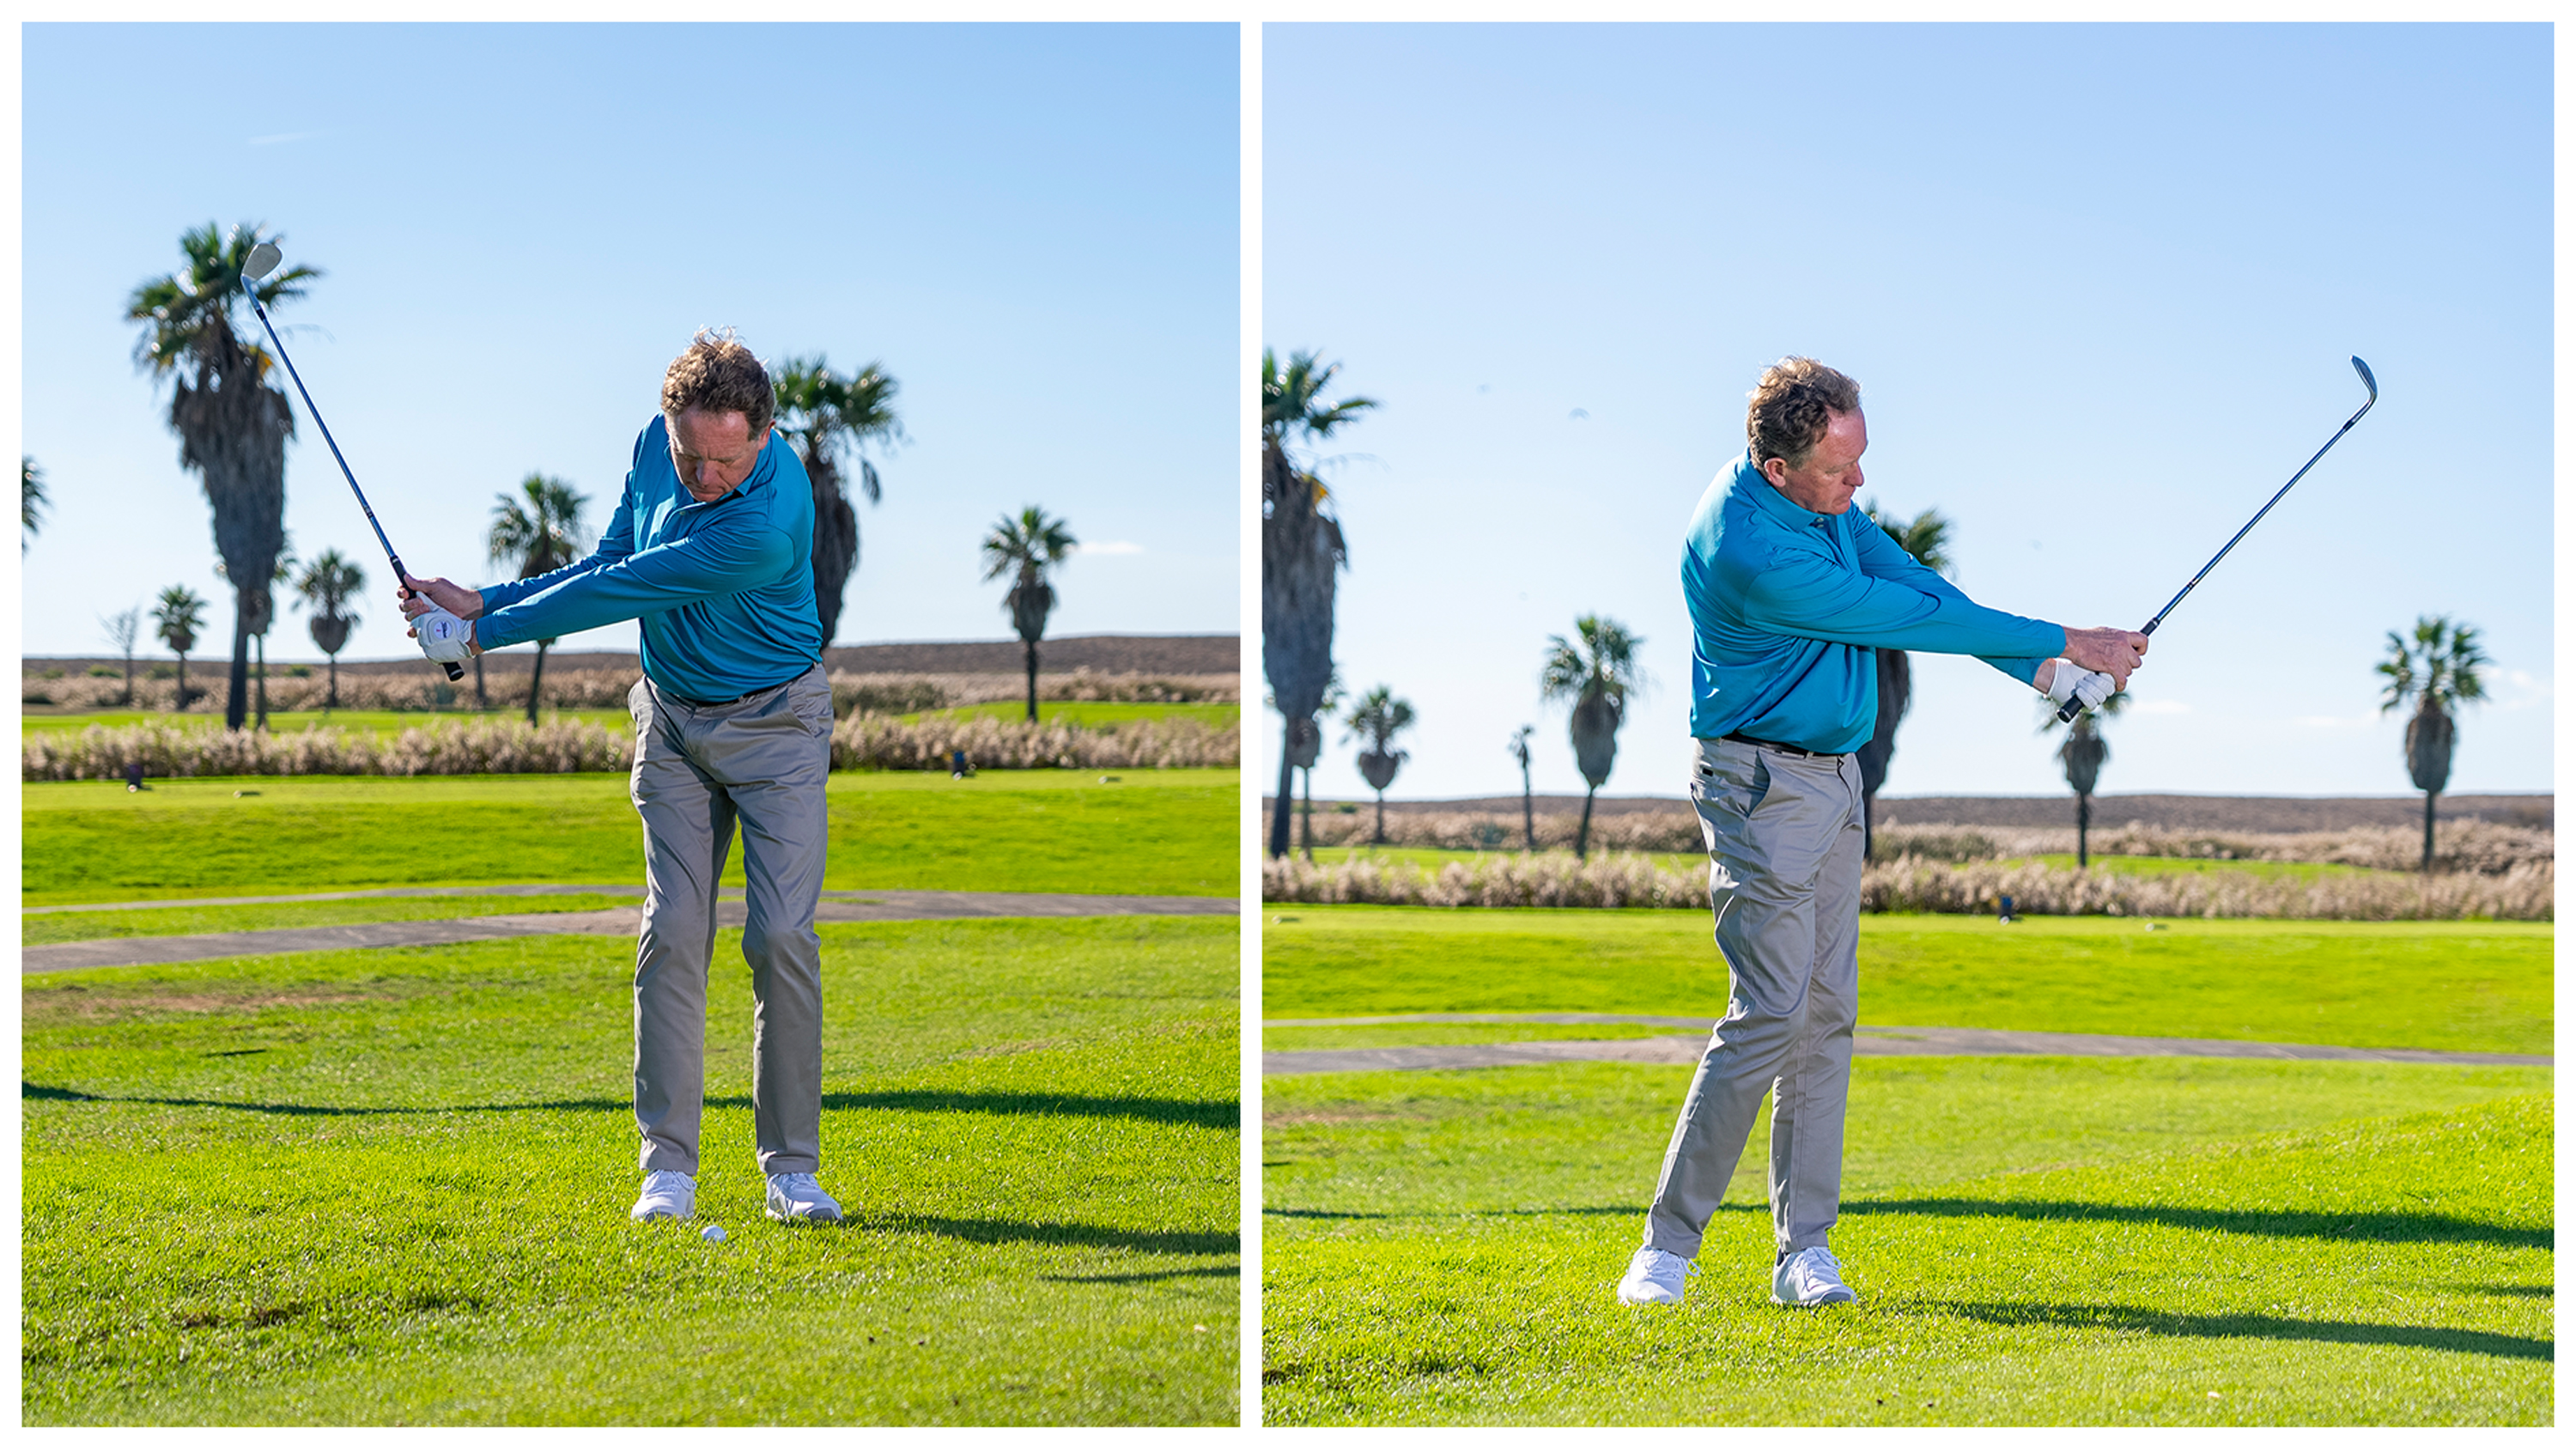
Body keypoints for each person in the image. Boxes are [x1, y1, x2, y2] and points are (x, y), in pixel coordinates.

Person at [1617, 356, 2145, 1309]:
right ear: (1778, 467)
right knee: (1771, 1012)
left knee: (1825, 1017)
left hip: (1836, 783)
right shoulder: (1753, 549)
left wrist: (2044, 676)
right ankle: (1667, 1249)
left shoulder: (1824, 511)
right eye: (1840, 468)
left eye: (1860, 461)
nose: (1859, 485)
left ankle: (1803, 1253)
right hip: (1759, 786)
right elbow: (1899, 615)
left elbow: (1914, 583)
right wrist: (2072, 641)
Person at [402, 329, 844, 1228]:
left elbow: (634, 586)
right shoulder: (657, 444)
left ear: (761, 436)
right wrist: (484, 600)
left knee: (781, 939)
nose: (700, 479)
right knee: (673, 930)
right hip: (676, 724)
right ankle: (668, 1172)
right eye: (689, 455)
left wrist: (481, 639)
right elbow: (609, 555)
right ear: (669, 427)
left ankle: (792, 1170)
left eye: (721, 463)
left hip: (778, 727)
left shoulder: (764, 522)